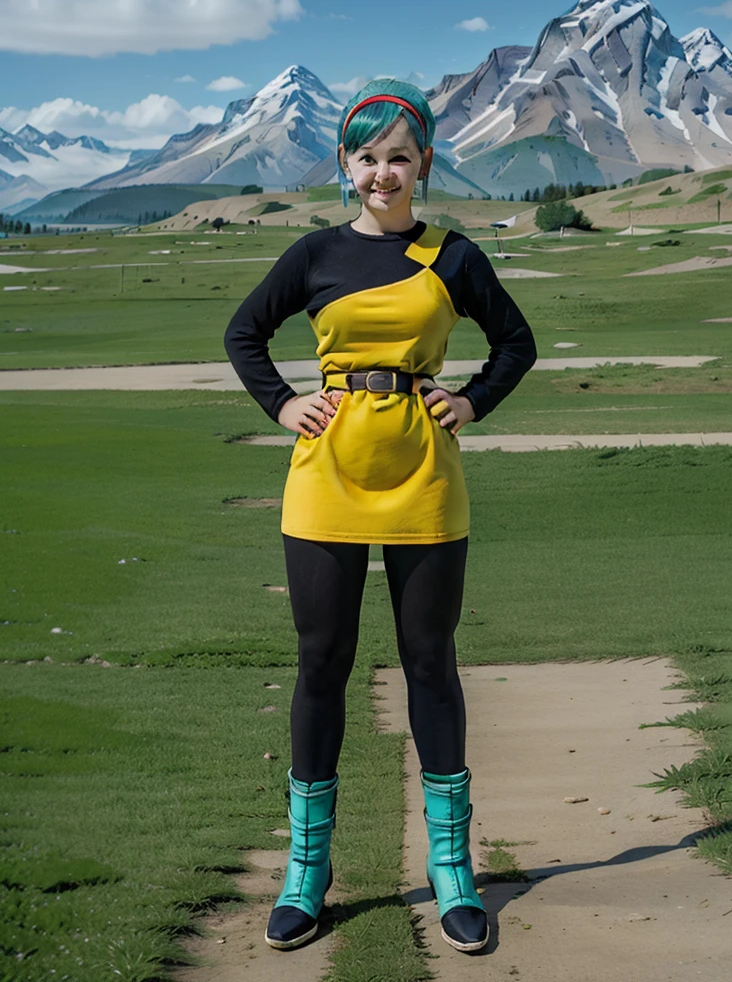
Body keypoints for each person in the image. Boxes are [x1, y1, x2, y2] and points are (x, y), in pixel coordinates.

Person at [223, 78, 537, 954]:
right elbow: (244, 334)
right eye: (368, 158)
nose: (384, 174)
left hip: (425, 477)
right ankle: (306, 873)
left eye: (400, 157)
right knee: (321, 661)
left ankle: (451, 870)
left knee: (429, 663)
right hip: (324, 475)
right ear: (345, 165)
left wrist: (471, 402)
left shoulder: (455, 254)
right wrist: (285, 406)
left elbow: (518, 343)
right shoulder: (315, 253)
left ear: (424, 164)